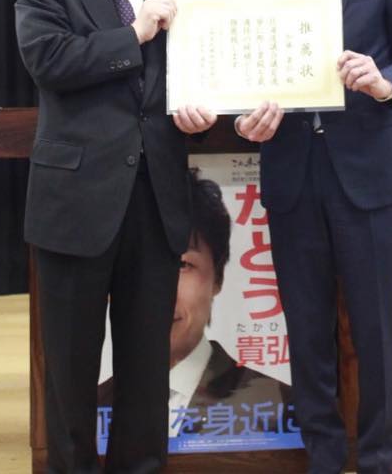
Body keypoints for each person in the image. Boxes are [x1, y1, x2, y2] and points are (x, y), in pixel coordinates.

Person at [179, 0, 392, 474]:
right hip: (292, 176)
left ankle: (379, 458)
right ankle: (323, 455)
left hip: (368, 176)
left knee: (376, 331)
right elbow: (239, 74)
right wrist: (247, 121)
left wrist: (385, 82)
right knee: (306, 328)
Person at [16, 0, 202, 474]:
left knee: (147, 364)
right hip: (75, 203)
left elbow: (191, 79)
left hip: (156, 200)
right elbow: (51, 62)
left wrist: (201, 110)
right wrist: (137, 32)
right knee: (69, 365)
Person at [98, 170, 292, 439]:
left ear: (217, 279)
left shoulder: (277, 404)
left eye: (182, 264)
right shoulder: (93, 409)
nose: (161, 292)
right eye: (140, 263)